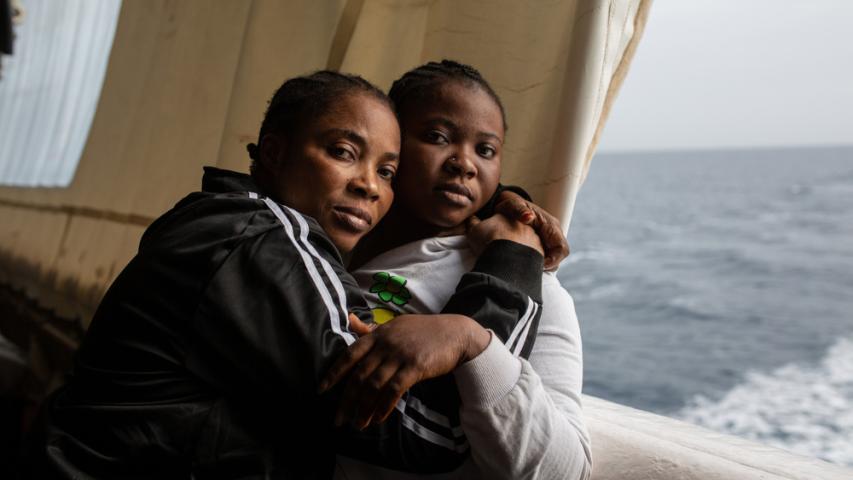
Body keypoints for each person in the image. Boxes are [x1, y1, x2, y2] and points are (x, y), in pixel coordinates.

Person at [28, 71, 551, 479]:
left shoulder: (233, 229)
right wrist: (511, 263)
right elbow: (431, 431)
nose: (369, 185)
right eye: (344, 153)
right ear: (275, 153)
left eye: (387, 172)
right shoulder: (259, 237)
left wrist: (501, 206)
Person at [327, 60, 592, 479]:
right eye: (437, 137)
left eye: (485, 150)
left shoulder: (526, 280)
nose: (464, 163)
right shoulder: (332, 239)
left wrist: (471, 342)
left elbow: (566, 470)